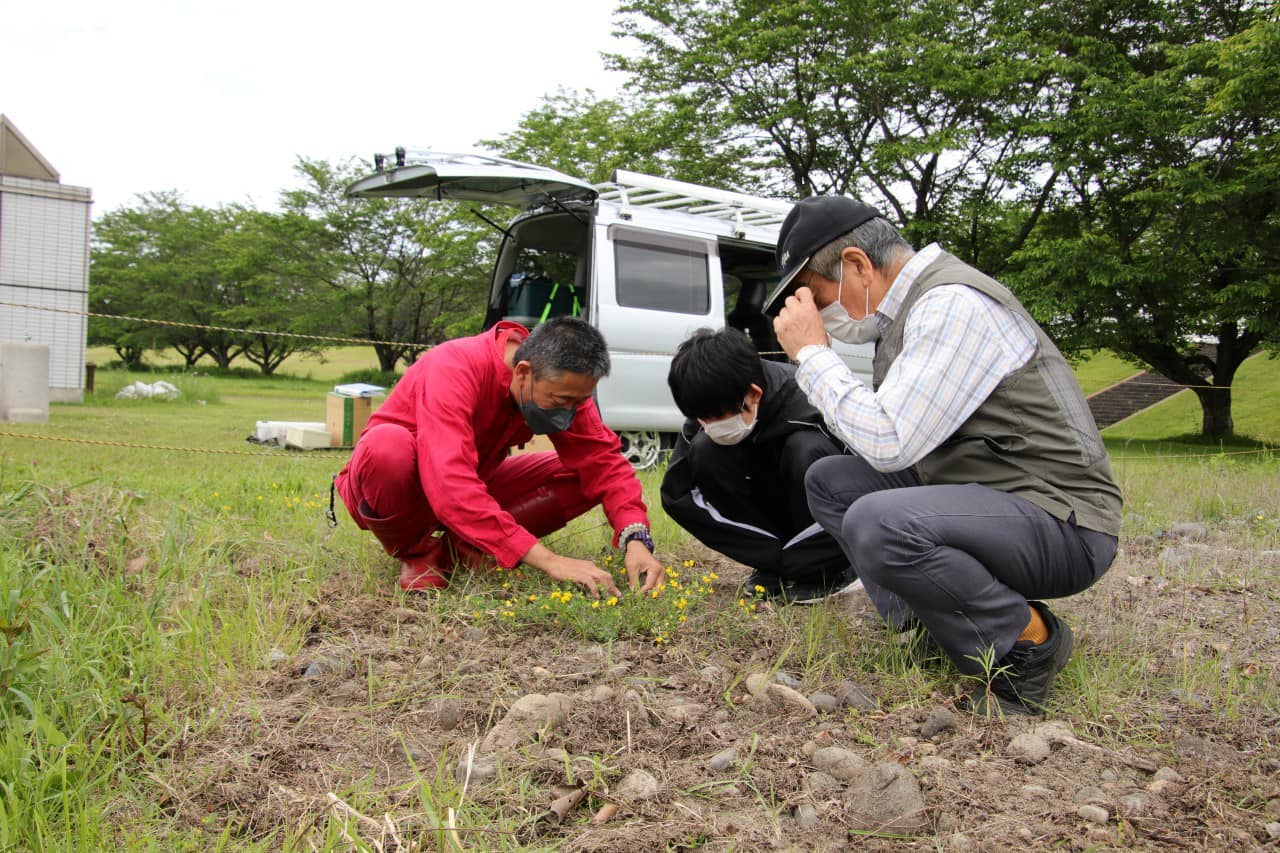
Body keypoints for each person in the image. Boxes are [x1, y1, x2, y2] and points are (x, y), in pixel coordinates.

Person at [765, 196, 1121, 714]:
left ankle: (1026, 640)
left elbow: (889, 442)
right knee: (833, 482)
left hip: (1064, 520)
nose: (819, 314)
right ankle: (938, 625)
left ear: (857, 266)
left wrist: (813, 354)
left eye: (817, 299)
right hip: (996, 501)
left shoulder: (951, 303)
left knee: (878, 521)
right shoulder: (909, 316)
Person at [334, 317, 666, 597]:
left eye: (577, 403)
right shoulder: (453, 367)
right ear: (522, 373)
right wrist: (551, 561)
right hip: (402, 490)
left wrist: (635, 538)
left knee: (580, 474)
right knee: (386, 446)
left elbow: (603, 460)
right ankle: (417, 553)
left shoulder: (559, 382)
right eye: (561, 400)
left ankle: (463, 548)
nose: (570, 412)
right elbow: (449, 483)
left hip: (475, 480)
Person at [661, 327, 859, 603]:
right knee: (705, 450)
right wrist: (772, 556)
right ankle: (775, 568)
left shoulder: (810, 398)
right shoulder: (705, 409)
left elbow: (862, 486)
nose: (710, 424)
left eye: (718, 415)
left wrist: (821, 553)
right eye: (700, 418)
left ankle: (828, 571)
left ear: (753, 394)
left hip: (820, 516)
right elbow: (676, 495)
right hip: (771, 529)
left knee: (806, 450)